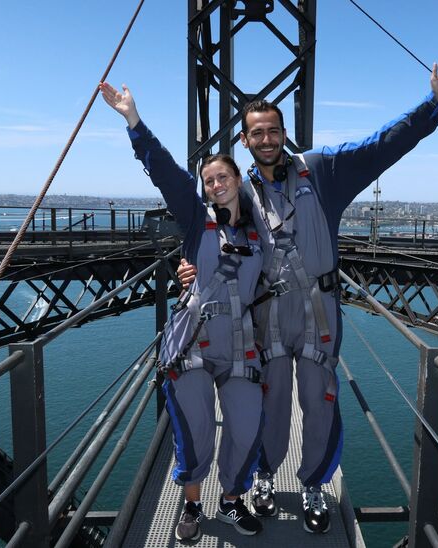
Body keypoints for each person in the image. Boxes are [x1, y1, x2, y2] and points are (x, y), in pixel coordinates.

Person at [177, 55, 438, 534]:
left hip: (317, 310)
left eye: (273, 131)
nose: (266, 140)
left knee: (318, 401)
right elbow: (206, 229)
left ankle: (313, 482)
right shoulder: (238, 191)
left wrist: (431, 104)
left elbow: (380, 147)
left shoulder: (322, 171)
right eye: (257, 134)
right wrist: (188, 265)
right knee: (270, 403)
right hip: (266, 312)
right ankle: (265, 476)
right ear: (245, 141)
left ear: (283, 133)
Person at [101, 82, 266, 542]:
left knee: (246, 426)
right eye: (209, 180)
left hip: (240, 346)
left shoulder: (262, 232)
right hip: (193, 344)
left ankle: (232, 500)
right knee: (194, 433)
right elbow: (169, 176)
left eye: (222, 177)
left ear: (238, 180)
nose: (215, 184)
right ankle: (193, 505)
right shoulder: (197, 221)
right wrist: (135, 122)